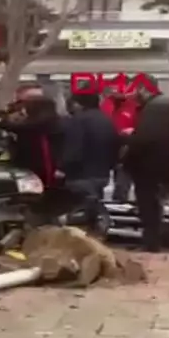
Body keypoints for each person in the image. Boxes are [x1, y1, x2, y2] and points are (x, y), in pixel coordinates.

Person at [0, 84, 64, 223]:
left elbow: (11, 126)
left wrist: (6, 119)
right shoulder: (46, 120)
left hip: (42, 168)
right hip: (36, 167)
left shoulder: (42, 122)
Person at [60, 93, 120, 236]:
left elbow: (74, 147)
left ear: (78, 104)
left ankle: (89, 231)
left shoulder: (78, 121)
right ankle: (96, 231)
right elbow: (115, 144)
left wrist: (63, 167)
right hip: (102, 172)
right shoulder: (107, 120)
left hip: (81, 173)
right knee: (92, 204)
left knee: (82, 207)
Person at [124, 92, 169, 252]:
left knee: (149, 205)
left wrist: (128, 161)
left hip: (148, 168)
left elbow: (141, 140)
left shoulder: (154, 109)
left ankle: (152, 243)